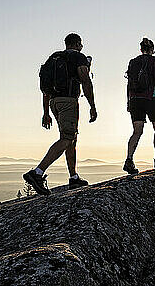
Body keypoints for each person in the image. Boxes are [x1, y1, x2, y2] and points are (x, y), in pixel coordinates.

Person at [23, 33, 97, 195]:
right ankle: (37, 173)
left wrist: (45, 112)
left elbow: (45, 89)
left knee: (71, 139)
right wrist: (92, 105)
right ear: (77, 44)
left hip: (54, 102)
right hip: (68, 101)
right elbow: (85, 80)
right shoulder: (78, 57)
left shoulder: (54, 58)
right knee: (67, 138)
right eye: (81, 44)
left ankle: (73, 177)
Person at [123, 37, 155, 175]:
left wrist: (128, 101)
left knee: (137, 131)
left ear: (141, 49)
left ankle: (129, 159)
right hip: (152, 98)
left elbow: (129, 83)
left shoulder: (133, 62)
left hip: (135, 100)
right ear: (152, 50)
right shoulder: (154, 60)